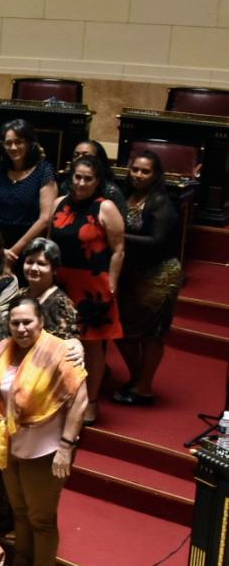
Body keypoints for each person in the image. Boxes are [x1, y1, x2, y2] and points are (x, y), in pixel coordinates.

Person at [0, 297, 88, 566]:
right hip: (11, 446)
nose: (21, 328)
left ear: (41, 322)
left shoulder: (59, 350)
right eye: (15, 322)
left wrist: (66, 447)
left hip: (47, 449)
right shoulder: (2, 350)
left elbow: (79, 400)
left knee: (41, 520)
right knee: (21, 516)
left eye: (27, 322)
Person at [50, 154, 125, 423]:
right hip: (62, 283)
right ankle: (61, 397)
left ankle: (91, 401)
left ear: (98, 181)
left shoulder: (105, 208)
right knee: (59, 342)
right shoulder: (59, 203)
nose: (81, 183)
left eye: (88, 178)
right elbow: (51, 244)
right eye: (77, 177)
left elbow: (118, 249)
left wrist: (112, 284)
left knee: (92, 347)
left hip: (93, 284)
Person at [116, 151, 183, 405]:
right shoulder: (126, 195)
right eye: (135, 170)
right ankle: (138, 378)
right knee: (122, 331)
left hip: (160, 275)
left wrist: (118, 234)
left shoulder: (160, 202)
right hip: (133, 274)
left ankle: (144, 388)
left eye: (145, 171)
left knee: (153, 334)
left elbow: (156, 241)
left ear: (155, 175)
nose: (138, 175)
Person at [0, 119, 57, 266]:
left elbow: (45, 219)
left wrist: (14, 251)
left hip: (30, 247)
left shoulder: (44, 171)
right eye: (8, 143)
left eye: (19, 142)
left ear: (29, 143)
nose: (13, 147)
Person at [19, 238, 82, 348]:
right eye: (29, 262)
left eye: (41, 264)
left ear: (54, 269)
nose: (33, 268)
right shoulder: (21, 294)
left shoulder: (61, 303)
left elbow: (67, 345)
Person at [57, 140, 125, 209]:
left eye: (86, 155)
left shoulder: (111, 191)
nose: (79, 158)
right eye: (76, 155)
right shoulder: (65, 185)